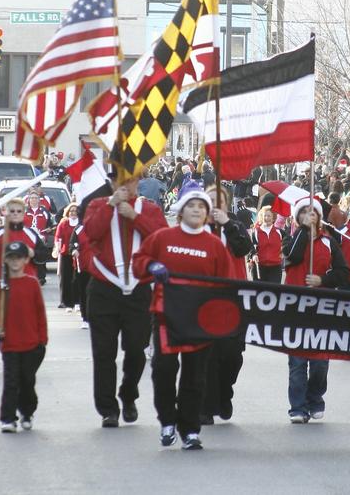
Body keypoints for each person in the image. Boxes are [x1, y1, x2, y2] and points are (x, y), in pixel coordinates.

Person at [133, 181, 231, 450]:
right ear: (181, 211)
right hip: (166, 316)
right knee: (163, 370)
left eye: (202, 206)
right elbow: (139, 261)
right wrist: (151, 265)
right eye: (192, 206)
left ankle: (190, 430)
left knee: (195, 377)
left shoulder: (214, 245)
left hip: (200, 320)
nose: (197, 210)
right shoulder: (163, 238)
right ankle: (167, 421)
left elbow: (226, 283)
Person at [83, 175, 168, 428]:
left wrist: (134, 216)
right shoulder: (97, 205)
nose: (125, 185)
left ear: (137, 182)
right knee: (103, 352)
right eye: (120, 180)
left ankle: (128, 394)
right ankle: (108, 409)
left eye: (130, 181)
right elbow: (91, 233)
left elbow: (161, 238)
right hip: (104, 288)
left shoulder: (149, 208)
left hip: (138, 289)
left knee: (136, 349)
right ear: (111, 183)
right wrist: (111, 205)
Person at [279, 197, 350, 424]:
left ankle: (315, 398)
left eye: (313, 212)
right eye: (304, 212)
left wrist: (323, 280)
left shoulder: (329, 242)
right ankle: (297, 407)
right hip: (295, 308)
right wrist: (304, 231)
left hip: (321, 308)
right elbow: (294, 256)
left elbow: (343, 271)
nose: (310, 216)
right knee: (298, 361)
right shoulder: (291, 239)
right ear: (297, 217)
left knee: (319, 362)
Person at [201, 185, 252, 425]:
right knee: (208, 355)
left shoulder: (236, 226)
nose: (214, 204)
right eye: (210, 199)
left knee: (232, 355)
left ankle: (225, 392)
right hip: (205, 301)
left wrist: (228, 224)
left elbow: (244, 248)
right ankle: (207, 406)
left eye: (218, 200)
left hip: (234, 300)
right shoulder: (199, 228)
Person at [0, 241, 48, 433]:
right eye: (11, 258)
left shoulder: (32, 283)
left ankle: (27, 412)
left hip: (32, 343)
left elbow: (40, 312)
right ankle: (8, 418)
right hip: (10, 344)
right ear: (6, 260)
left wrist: (43, 339)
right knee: (11, 381)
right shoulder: (1, 286)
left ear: (25, 260)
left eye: (19, 258)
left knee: (27, 380)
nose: (15, 262)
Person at [24, 192, 54, 285]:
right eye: (31, 198)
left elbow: (50, 224)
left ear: (39, 200)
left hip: (41, 237)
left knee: (40, 256)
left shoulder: (44, 211)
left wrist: (49, 229)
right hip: (27, 237)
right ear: (28, 200)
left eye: (35, 198)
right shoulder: (24, 210)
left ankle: (41, 277)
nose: (33, 200)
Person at [54, 205, 80, 310]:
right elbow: (57, 237)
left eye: (75, 211)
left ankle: (77, 302)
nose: (73, 213)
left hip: (78, 255)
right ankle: (66, 303)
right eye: (71, 211)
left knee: (77, 279)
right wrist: (57, 247)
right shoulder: (63, 224)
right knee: (65, 279)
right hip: (65, 254)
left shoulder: (81, 224)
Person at [251, 206, 283, 284]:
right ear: (261, 217)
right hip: (259, 267)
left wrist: (283, 251)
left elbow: (287, 243)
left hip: (275, 267)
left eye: (269, 216)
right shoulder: (255, 232)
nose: (266, 218)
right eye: (264, 215)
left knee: (274, 292)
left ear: (273, 218)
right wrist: (253, 255)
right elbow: (251, 246)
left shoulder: (280, 232)